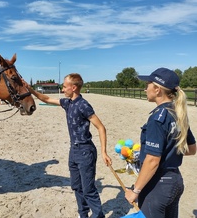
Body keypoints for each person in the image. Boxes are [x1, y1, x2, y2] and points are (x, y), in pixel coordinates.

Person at [23, 73, 112, 218]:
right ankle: (83, 215)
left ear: (74, 87)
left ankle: (98, 216)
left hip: (85, 151)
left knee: (88, 189)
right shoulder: (67, 103)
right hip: (74, 151)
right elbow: (45, 98)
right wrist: (30, 89)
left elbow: (101, 127)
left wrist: (104, 152)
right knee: (77, 187)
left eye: (64, 86)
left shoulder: (83, 105)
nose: (62, 89)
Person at [125, 68, 196, 218]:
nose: (145, 89)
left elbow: (152, 161)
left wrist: (135, 190)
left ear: (157, 89)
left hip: (158, 185)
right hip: (175, 180)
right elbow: (191, 149)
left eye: (148, 85)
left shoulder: (157, 119)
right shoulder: (178, 113)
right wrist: (168, 150)